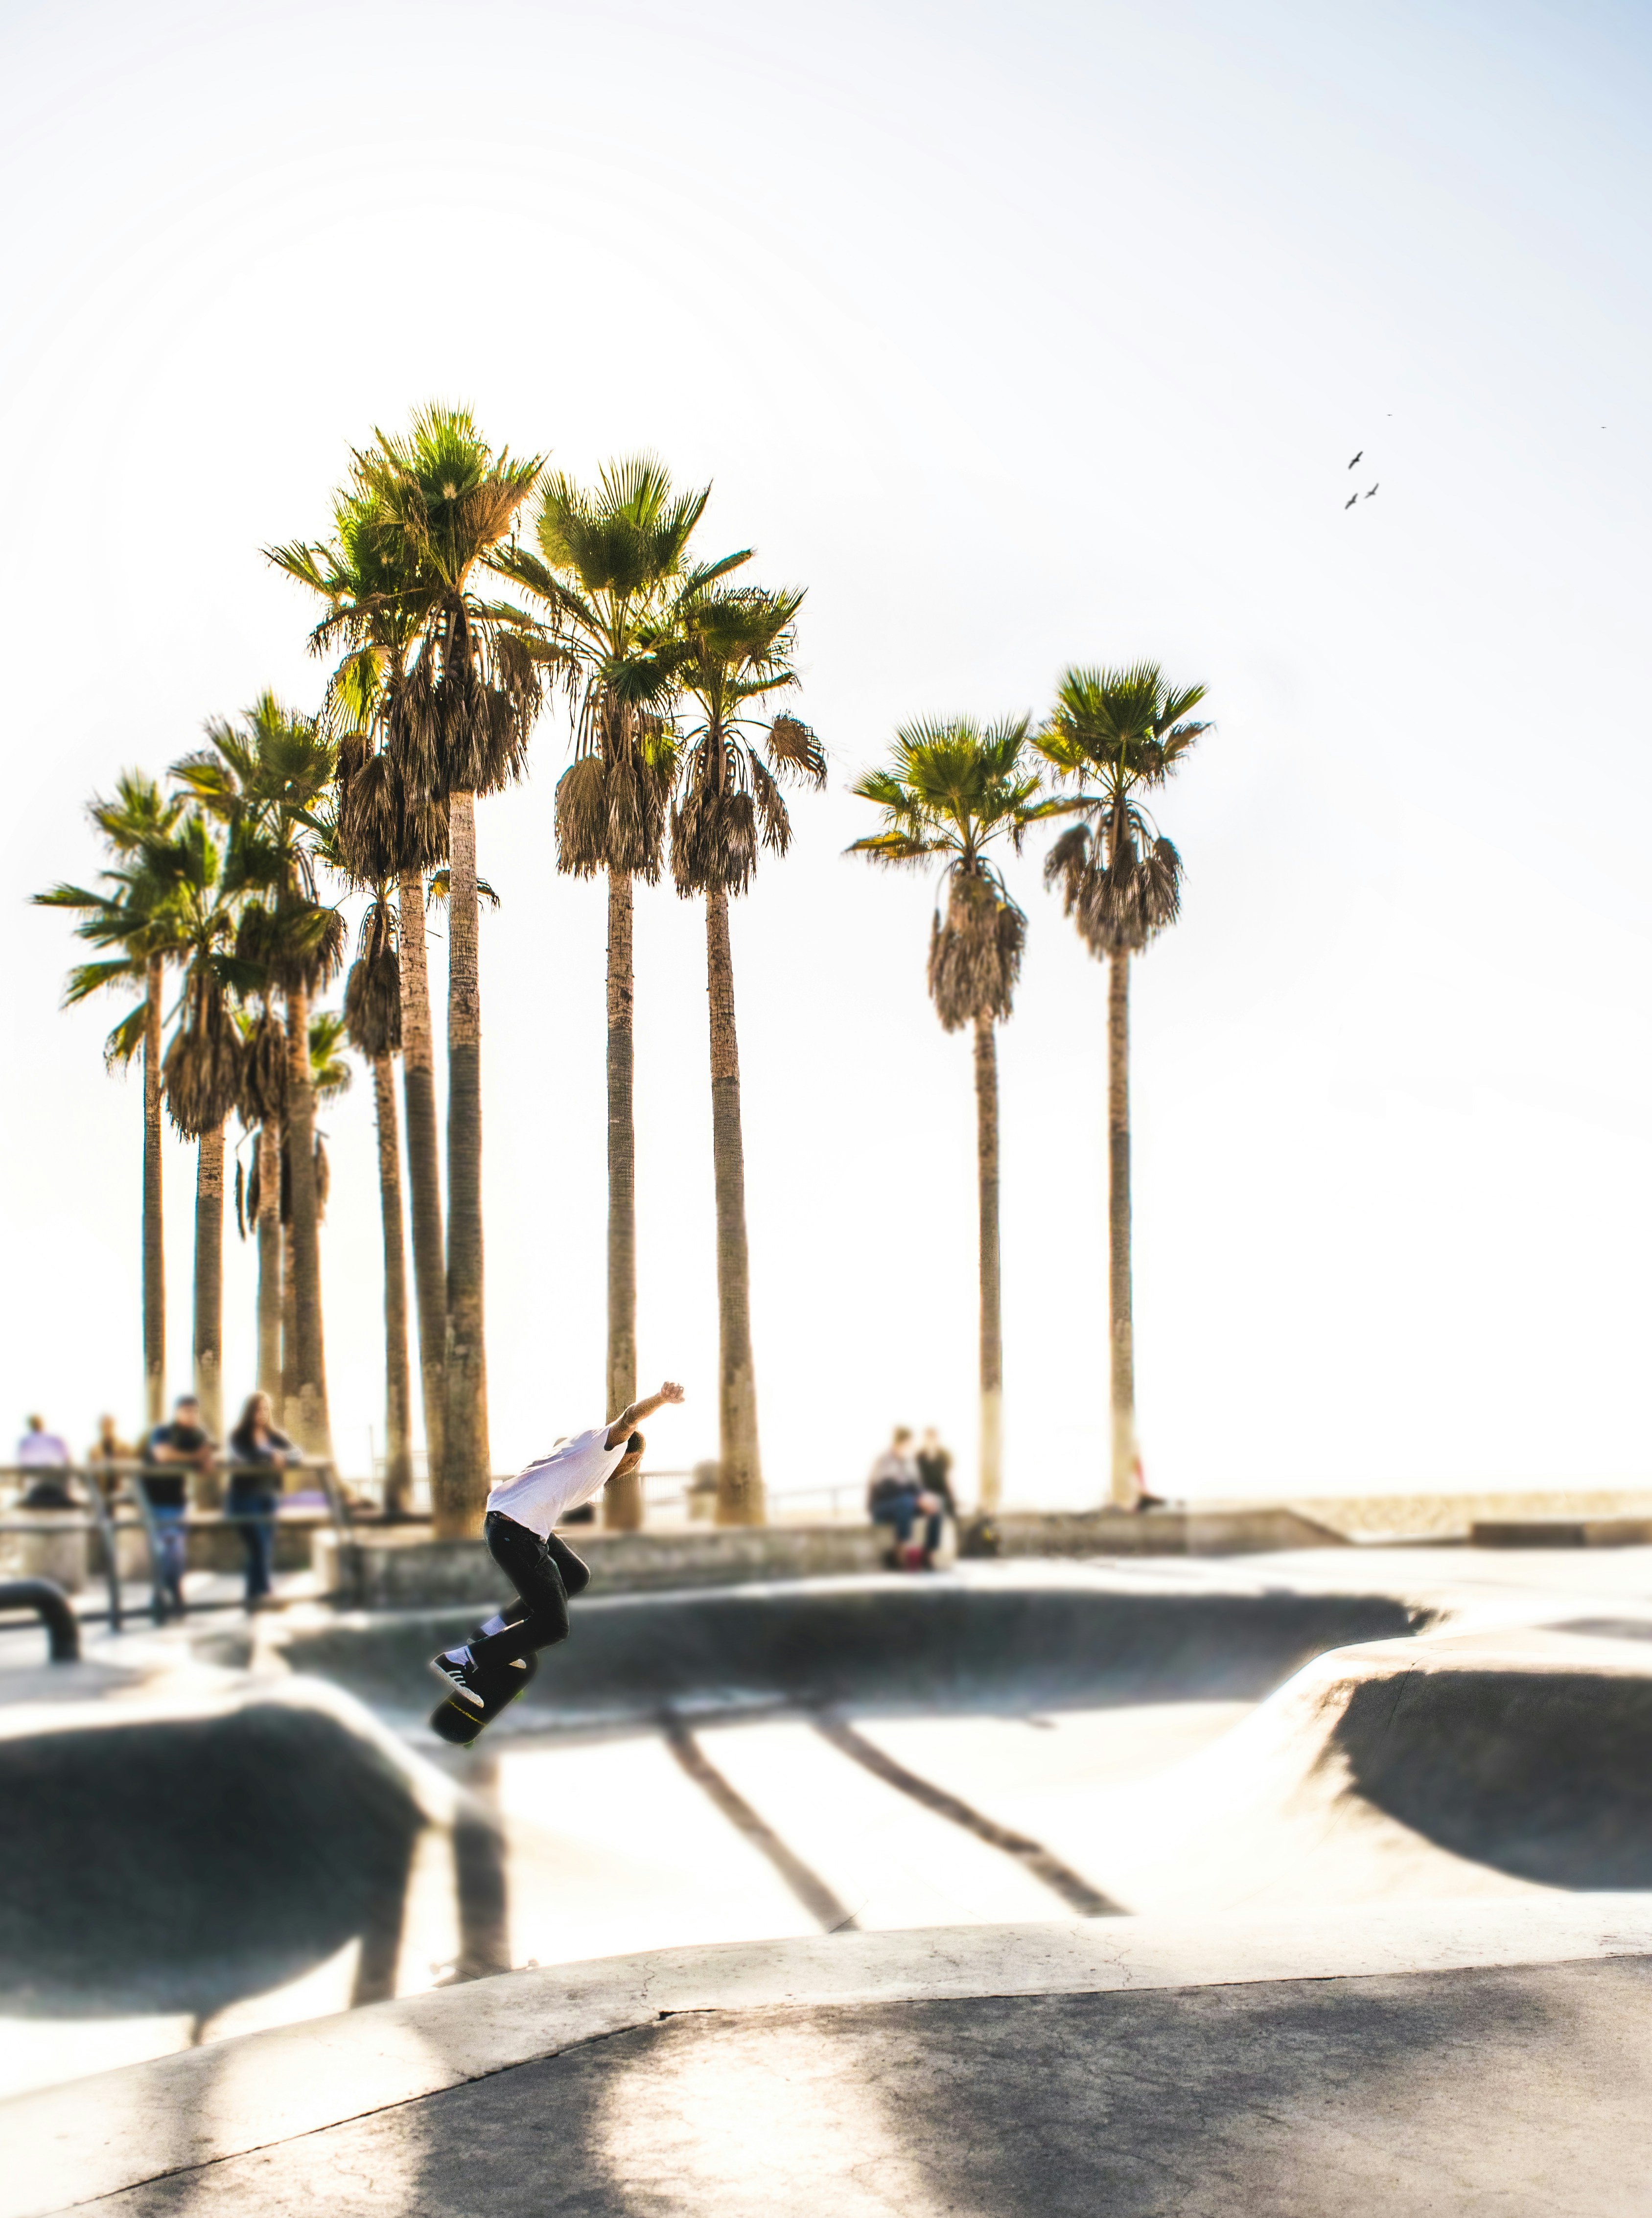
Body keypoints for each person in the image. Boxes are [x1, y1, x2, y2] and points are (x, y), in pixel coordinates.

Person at [430, 1381, 686, 1711]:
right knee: (552, 1626)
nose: (627, 1471)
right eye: (632, 1465)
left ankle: (491, 1631)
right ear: (632, 1458)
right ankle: (461, 1660)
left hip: (510, 1521)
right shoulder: (609, 1446)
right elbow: (628, 1420)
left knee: (574, 1574)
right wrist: (661, 1399)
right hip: (515, 1532)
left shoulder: (580, 1449)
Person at [143, 1395, 216, 1622]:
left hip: (177, 1500)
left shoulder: (198, 1435)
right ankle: (168, 1595)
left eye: (194, 1412)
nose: (191, 1416)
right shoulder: (163, 1432)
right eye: (186, 1411)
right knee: (166, 1548)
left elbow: (207, 1466)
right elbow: (162, 1455)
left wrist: (203, 1458)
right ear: (176, 1412)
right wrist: (194, 1457)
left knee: (175, 1550)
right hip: (153, 1499)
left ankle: (166, 1595)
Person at [226, 1393, 297, 1608]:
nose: (262, 1414)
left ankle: (253, 1597)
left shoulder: (275, 1437)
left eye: (266, 1409)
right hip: (244, 1499)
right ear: (249, 1411)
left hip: (269, 1499)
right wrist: (271, 1457)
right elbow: (244, 1458)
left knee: (262, 1548)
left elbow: (297, 1454)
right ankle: (265, 1593)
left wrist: (284, 1457)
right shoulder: (238, 1436)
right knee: (259, 1546)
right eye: (258, 1409)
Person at [867, 1426, 943, 1569]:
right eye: (908, 1443)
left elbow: (916, 1485)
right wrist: (916, 1498)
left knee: (936, 1503)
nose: (910, 1447)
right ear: (899, 1443)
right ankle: (900, 1554)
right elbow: (886, 1489)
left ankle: (928, 1554)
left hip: (905, 1503)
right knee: (906, 1502)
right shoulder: (884, 1460)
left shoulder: (909, 1461)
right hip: (882, 1507)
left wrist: (924, 1497)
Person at [16, 1416, 74, 1509]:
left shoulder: (26, 1442)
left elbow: (23, 1469)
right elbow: (69, 1462)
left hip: (42, 1490)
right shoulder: (55, 1440)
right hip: (51, 1489)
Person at [86, 1415, 136, 1503]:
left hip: (121, 1490)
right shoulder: (94, 1450)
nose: (107, 1428)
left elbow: (134, 1468)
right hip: (101, 1492)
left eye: (110, 1425)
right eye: (104, 1425)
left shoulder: (126, 1447)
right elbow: (90, 1472)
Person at [914, 1428, 957, 1518]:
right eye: (928, 1439)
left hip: (942, 1491)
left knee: (950, 1511)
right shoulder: (919, 1456)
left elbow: (948, 1478)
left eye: (933, 1439)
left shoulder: (945, 1455)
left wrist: (953, 1496)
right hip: (926, 1493)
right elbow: (916, 1479)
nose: (931, 1442)